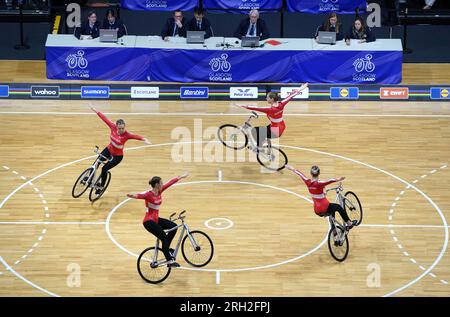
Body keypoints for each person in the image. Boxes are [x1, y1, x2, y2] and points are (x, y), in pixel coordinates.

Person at [127, 172, 189, 268]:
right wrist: (133, 196)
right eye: (161, 183)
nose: (162, 184)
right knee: (164, 237)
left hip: (155, 220)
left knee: (174, 226)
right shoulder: (148, 194)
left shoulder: (160, 191)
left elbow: (170, 183)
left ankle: (166, 249)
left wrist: (180, 177)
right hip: (148, 222)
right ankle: (169, 261)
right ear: (156, 185)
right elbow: (140, 195)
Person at [285, 165, 357, 243]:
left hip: (317, 211)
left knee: (332, 215)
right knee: (338, 207)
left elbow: (299, 173)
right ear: (319, 173)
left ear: (311, 173)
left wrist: (291, 168)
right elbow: (330, 180)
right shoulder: (320, 183)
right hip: (325, 207)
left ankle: (335, 236)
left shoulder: (307, 182)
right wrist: (339, 179)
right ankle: (349, 223)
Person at [89, 106, 151, 194]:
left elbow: (136, 136)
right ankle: (89, 178)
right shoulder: (112, 126)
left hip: (117, 156)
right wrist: (95, 110)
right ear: (116, 126)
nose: (121, 130)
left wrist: (145, 139)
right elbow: (104, 118)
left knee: (104, 169)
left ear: (124, 127)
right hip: (109, 149)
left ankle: (101, 186)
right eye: (119, 128)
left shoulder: (127, 134)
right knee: (96, 163)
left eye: (123, 128)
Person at [235, 83, 308, 150]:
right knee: (264, 130)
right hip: (280, 126)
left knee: (255, 130)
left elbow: (254, 108)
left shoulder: (269, 109)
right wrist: (302, 88)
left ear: (272, 99)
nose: (266, 99)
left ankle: (259, 148)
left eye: (267, 98)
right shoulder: (281, 104)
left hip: (275, 130)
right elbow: (292, 95)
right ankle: (262, 143)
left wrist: (241, 105)